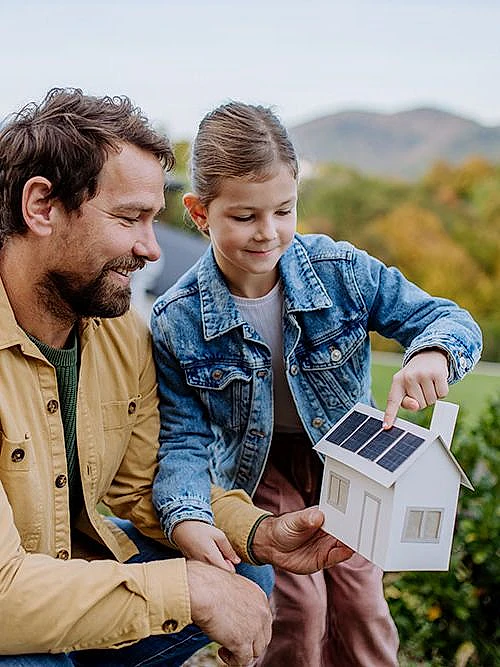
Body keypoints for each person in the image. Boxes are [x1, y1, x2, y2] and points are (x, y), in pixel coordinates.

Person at [0, 89, 354, 667]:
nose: (149, 247)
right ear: (42, 207)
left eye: (153, 219)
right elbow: (3, 594)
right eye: (129, 218)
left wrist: (260, 533)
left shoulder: (117, 333)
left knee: (244, 571)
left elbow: (143, 485)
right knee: (29, 654)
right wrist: (190, 590)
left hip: (63, 571)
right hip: (8, 601)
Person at [150, 101, 483, 667]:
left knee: (362, 602)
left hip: (352, 457)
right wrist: (187, 513)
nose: (268, 232)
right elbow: (182, 436)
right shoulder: (177, 319)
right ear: (200, 213)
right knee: (296, 609)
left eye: (284, 210)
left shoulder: (341, 271)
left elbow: (447, 319)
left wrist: (432, 352)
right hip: (259, 470)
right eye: (245, 216)